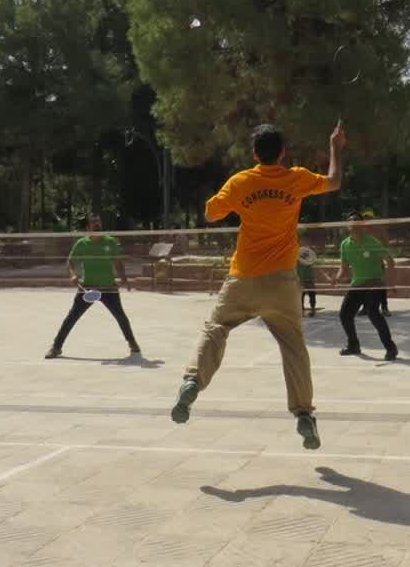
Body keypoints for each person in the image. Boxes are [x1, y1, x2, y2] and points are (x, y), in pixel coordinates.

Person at [170, 121, 345, 450]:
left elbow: (210, 213)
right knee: (294, 348)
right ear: (283, 152)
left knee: (216, 328)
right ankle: (304, 414)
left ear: (254, 153)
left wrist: (236, 198)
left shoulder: (241, 181)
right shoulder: (296, 178)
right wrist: (335, 146)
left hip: (243, 279)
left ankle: (193, 381)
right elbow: (334, 181)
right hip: (282, 282)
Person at [45, 214, 140, 358]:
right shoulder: (81, 244)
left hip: (108, 288)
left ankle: (132, 343)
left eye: (99, 223)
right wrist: (73, 275)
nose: (97, 225)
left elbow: (118, 261)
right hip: (87, 287)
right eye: (94, 223)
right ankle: (56, 347)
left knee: (121, 316)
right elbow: (70, 262)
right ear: (88, 227)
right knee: (71, 317)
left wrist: (124, 278)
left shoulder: (111, 242)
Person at [335, 212, 398, 359]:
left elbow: (390, 261)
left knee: (373, 313)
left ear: (363, 225)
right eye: (351, 222)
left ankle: (391, 348)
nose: (354, 224)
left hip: (374, 283)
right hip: (357, 284)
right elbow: (343, 267)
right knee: (345, 314)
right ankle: (353, 345)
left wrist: (390, 282)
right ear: (348, 226)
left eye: (357, 221)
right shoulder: (345, 244)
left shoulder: (372, 242)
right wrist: (336, 278)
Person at [297, 245, 318, 317]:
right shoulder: (297, 261)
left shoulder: (310, 261)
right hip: (300, 280)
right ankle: (302, 311)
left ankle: (312, 310)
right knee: (301, 296)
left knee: (312, 294)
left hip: (309, 279)